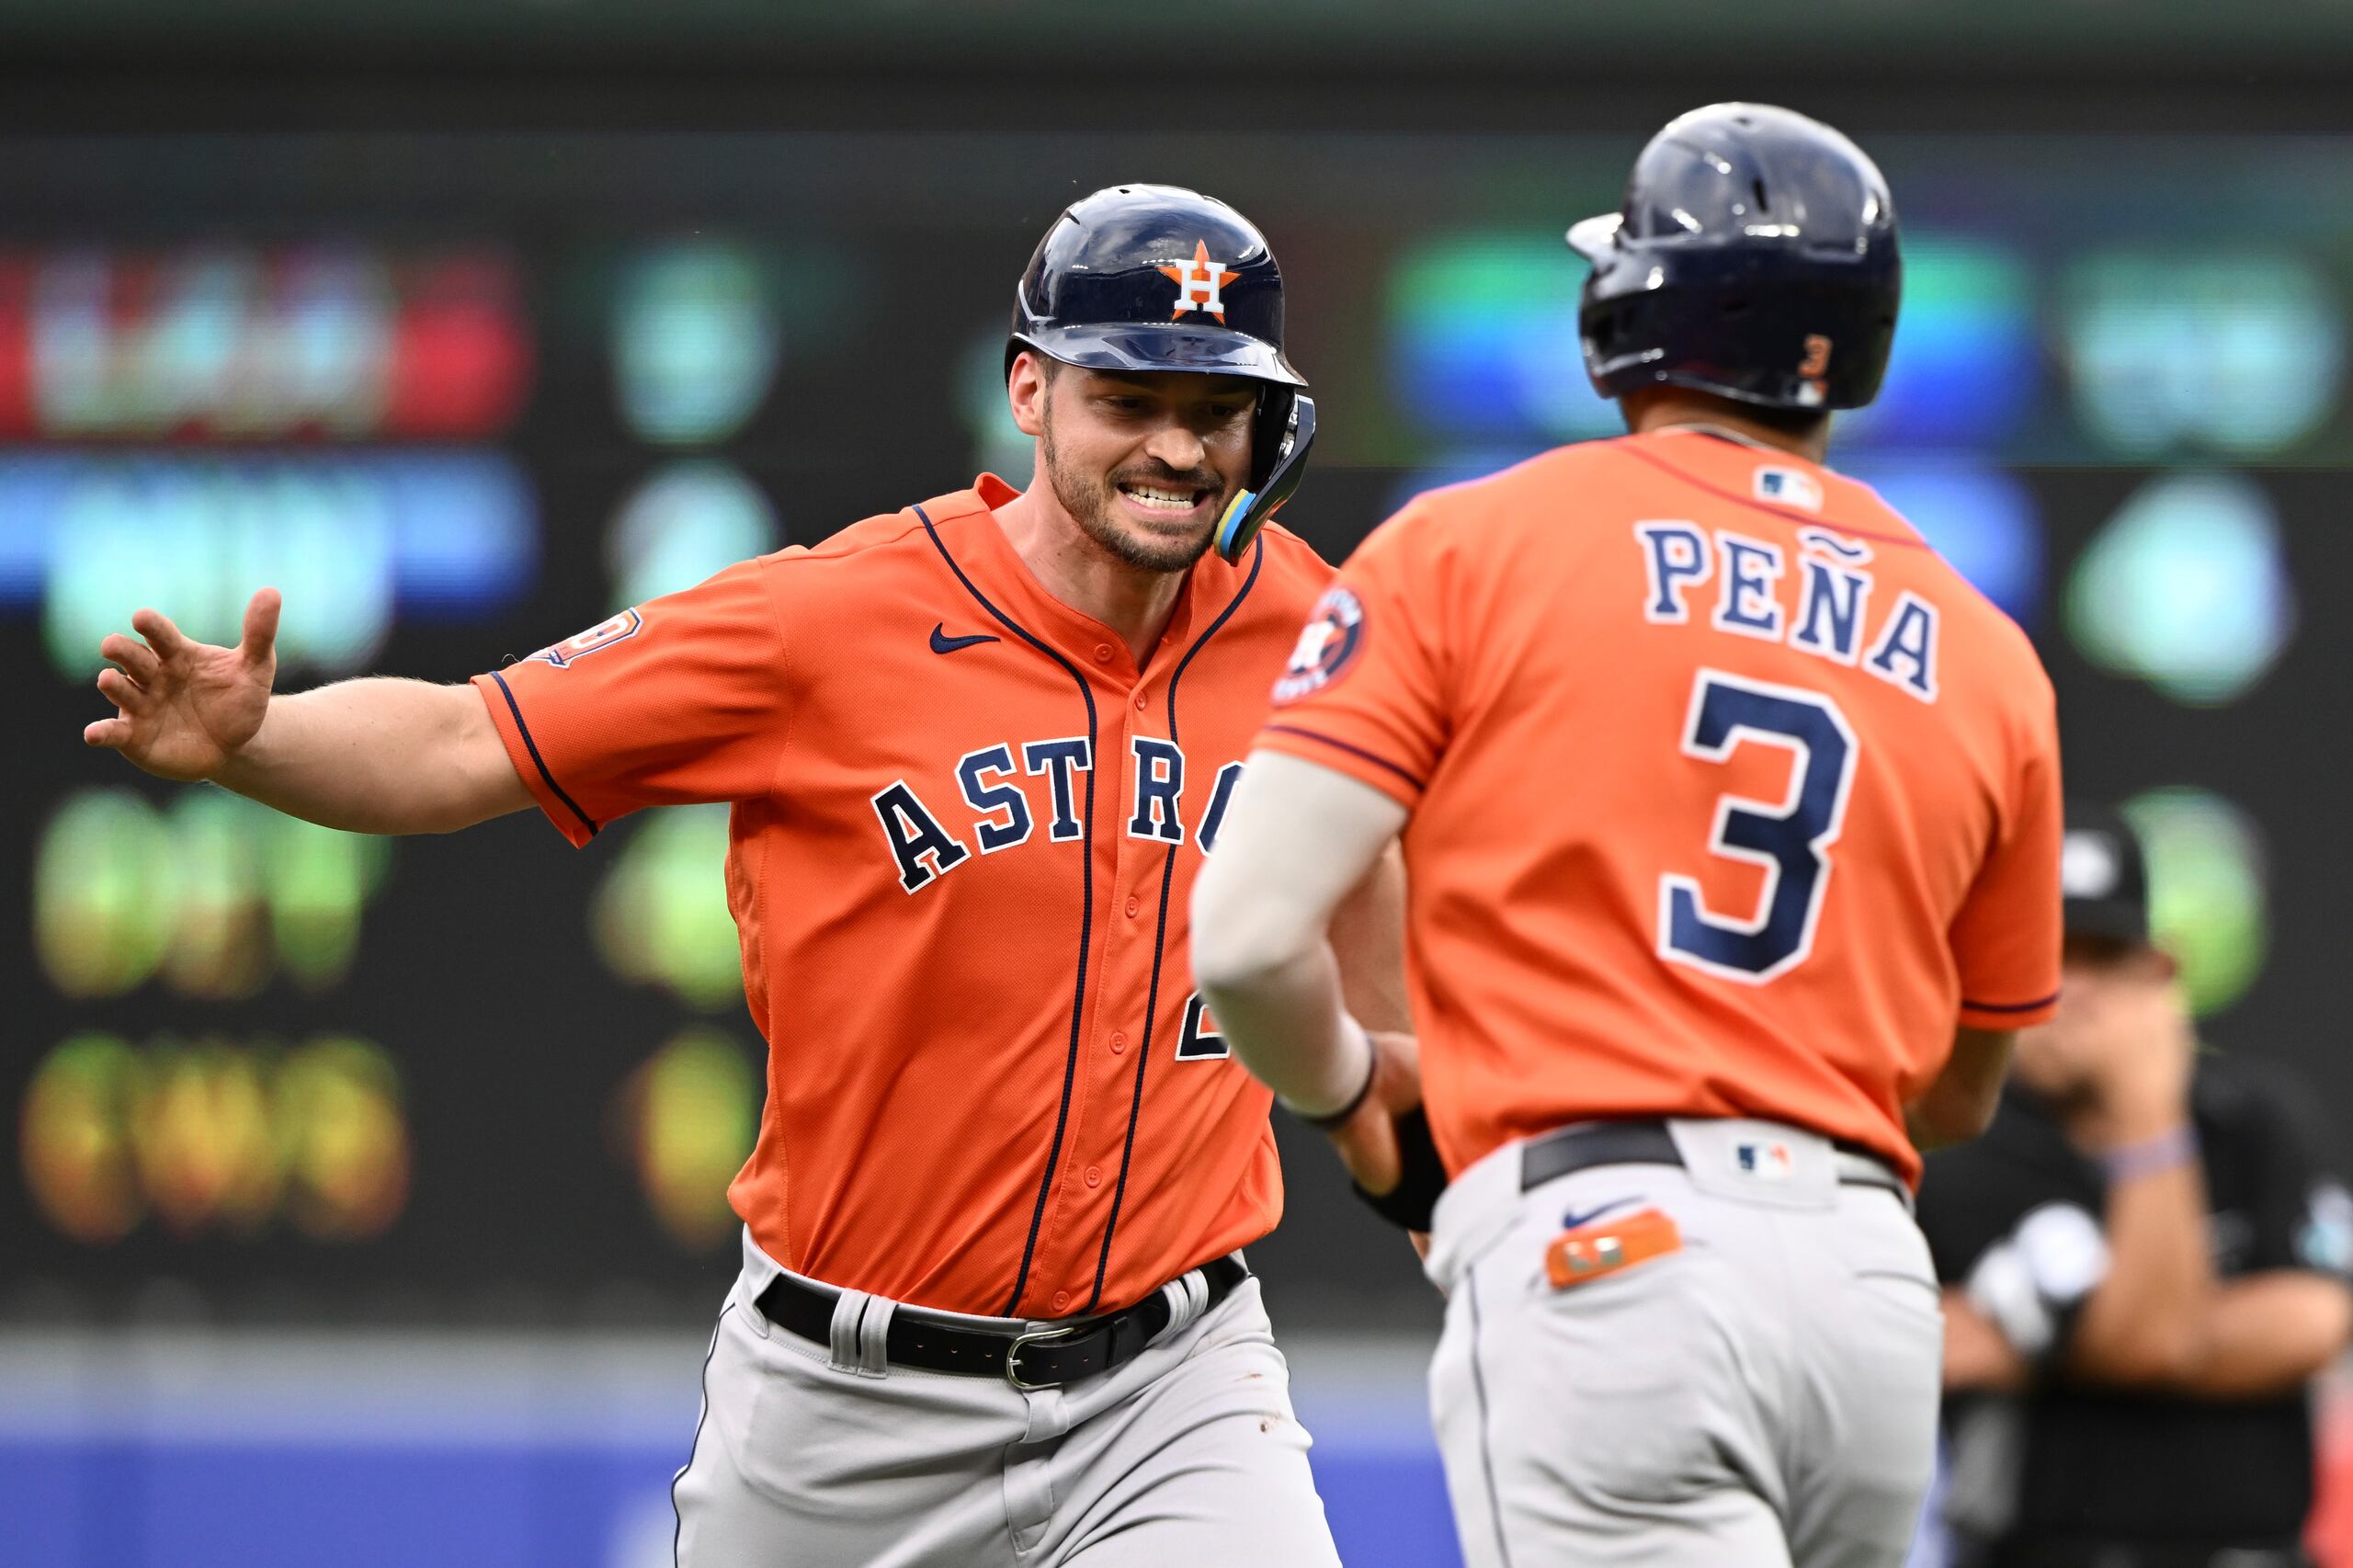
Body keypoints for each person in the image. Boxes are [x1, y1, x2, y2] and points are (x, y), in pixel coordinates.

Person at [81, 183, 1405, 1568]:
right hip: (843, 1406)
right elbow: (472, 737)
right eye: (1128, 397)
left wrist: (1433, 1156)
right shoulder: (824, 620)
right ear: (1030, 389)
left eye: (1215, 406)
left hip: (1171, 1386)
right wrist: (259, 741)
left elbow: (1383, 886)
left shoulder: (1314, 630)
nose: (1177, 447)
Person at [1192, 103, 2065, 1568]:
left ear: (1631, 310)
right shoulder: (1982, 644)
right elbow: (1968, 1085)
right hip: (1866, 1287)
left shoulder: (1477, 541)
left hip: (1610, 1249)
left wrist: (1365, 1109)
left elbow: (1250, 938)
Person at [1919, 804, 2353, 1568]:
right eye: (2046, 954)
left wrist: (2046, 1339)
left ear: (2159, 973)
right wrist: (2149, 1121)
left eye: (2103, 958)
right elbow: (2151, 1343)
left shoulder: (2253, 1118)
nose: (2073, 992)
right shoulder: (1957, 1143)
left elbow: (2314, 1322)